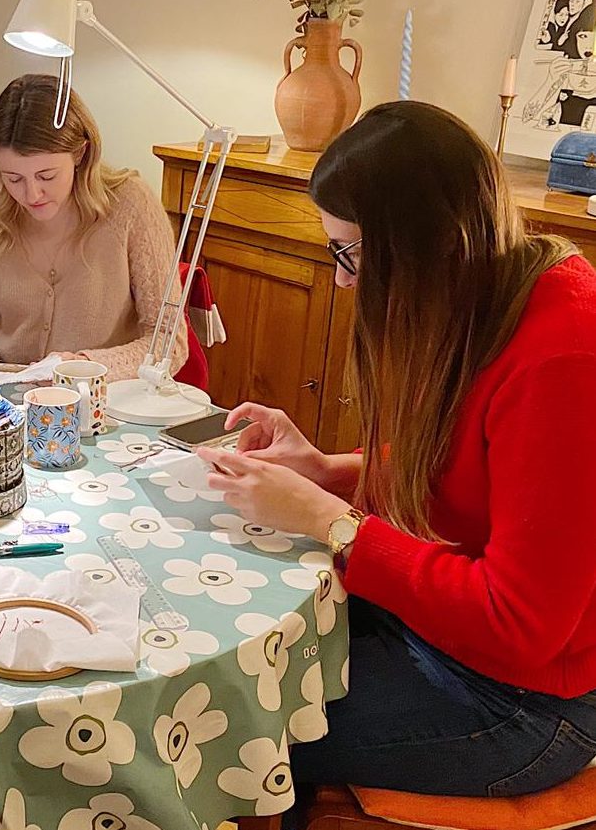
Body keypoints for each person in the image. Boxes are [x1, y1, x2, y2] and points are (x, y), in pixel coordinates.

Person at [197, 101, 596, 800]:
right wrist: (329, 471)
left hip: (523, 702)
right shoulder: (484, 291)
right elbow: (463, 474)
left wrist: (331, 520)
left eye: (349, 253)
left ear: (422, 243)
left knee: (226, 727)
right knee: (224, 657)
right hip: (444, 641)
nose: (345, 280)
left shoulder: (564, 356)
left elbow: (518, 624)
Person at [0, 74, 187, 379]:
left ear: (80, 153)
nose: (31, 194)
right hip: (3, 397)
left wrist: (84, 365)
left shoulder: (130, 204)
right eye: (13, 178)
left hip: (97, 402)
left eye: (46, 176)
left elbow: (169, 344)